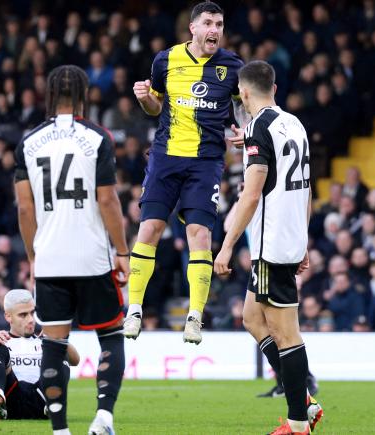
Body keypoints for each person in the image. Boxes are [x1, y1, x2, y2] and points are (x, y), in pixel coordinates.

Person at [14, 64, 130, 435]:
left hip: (50, 259)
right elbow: (108, 200)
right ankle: (103, 418)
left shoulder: (28, 142)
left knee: (53, 344)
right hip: (92, 256)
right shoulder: (97, 137)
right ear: (83, 95)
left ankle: (60, 430)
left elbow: (24, 209)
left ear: (49, 94)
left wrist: (34, 256)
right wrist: (123, 250)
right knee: (111, 335)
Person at [126, 1, 249, 344]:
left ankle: (195, 317)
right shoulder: (165, 60)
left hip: (206, 161)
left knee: (200, 235)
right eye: (208, 23)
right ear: (192, 28)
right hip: (166, 156)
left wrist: (244, 130)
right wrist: (143, 99)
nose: (214, 30)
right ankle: (134, 308)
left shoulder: (232, 65)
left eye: (219, 24)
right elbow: (155, 107)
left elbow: (243, 106)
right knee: (149, 227)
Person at [214, 60, 322, 435]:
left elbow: (251, 193)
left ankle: (297, 421)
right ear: (274, 89)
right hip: (288, 238)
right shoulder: (293, 124)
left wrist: (226, 245)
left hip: (271, 244)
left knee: (285, 332)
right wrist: (303, 239)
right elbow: (306, 187)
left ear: (243, 93)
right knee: (251, 318)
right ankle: (302, 400)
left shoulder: (259, 127)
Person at [0, 290, 79, 421]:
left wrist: (57, 337)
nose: (31, 319)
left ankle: (53, 402)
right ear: (8, 317)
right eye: (23, 315)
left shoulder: (43, 340)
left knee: (57, 349)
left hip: (42, 400)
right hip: (11, 401)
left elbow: (75, 360)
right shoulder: (0, 340)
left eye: (32, 313)